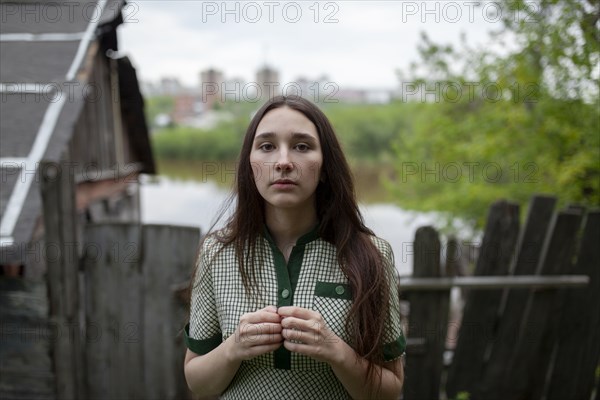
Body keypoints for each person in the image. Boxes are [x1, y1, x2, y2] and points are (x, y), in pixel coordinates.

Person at [183, 95, 406, 399]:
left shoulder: (372, 255)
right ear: (250, 166)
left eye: (302, 146)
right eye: (267, 146)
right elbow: (197, 383)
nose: (283, 162)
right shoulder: (216, 252)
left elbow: (390, 390)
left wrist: (336, 351)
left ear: (325, 165)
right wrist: (233, 348)